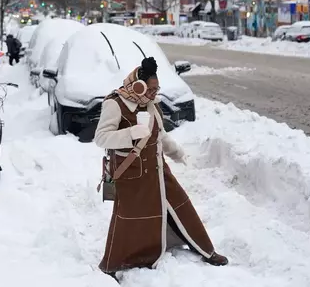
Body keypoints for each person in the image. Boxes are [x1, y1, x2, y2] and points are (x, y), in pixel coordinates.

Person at [94, 57, 228, 281]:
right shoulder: (115, 104)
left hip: (157, 169)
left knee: (180, 205)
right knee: (130, 218)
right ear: (139, 86)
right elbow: (101, 138)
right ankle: (115, 263)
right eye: (152, 88)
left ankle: (205, 249)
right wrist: (130, 134)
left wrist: (176, 153)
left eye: (158, 88)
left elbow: (160, 135)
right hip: (131, 173)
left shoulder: (150, 104)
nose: (155, 93)